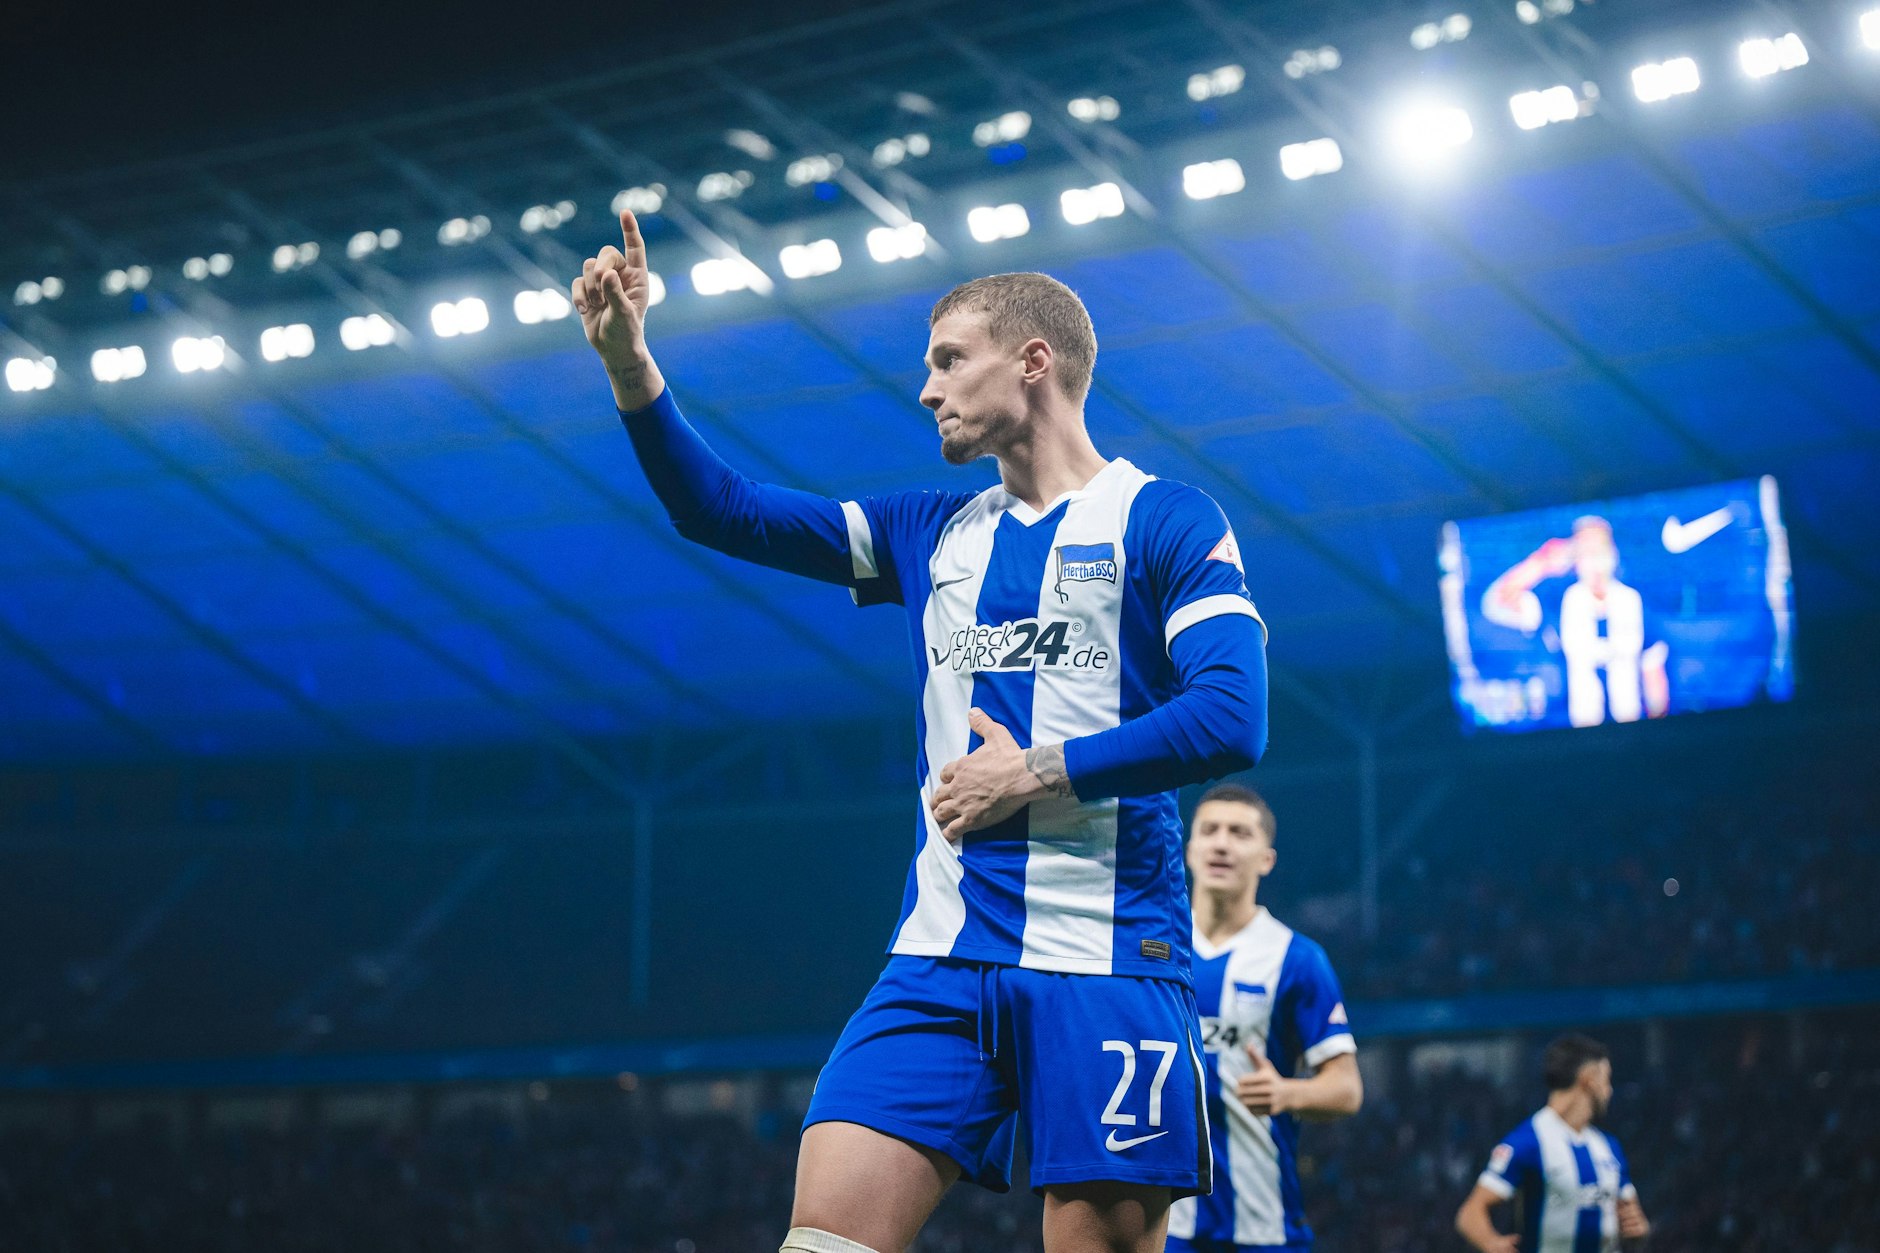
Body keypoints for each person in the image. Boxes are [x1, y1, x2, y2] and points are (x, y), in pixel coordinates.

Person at [571, 212, 1269, 1253]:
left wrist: (1030, 773)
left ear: (1033, 362)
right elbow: (722, 510)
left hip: (1110, 959)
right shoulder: (928, 532)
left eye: (948, 359)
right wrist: (631, 366)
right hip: (936, 962)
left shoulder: (1165, 519)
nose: (925, 387)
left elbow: (1231, 713)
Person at [1166, 784, 1361, 1253]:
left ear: (1266, 859)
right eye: (1209, 830)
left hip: (1264, 1225)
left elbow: (1348, 1089)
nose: (1222, 843)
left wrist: (1287, 1092)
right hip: (1167, 1224)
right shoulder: (1152, 949)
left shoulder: (1297, 958)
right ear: (1188, 848)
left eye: (1240, 833)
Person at [1455, 1034, 1651, 1253]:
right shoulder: (1529, 1141)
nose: (1609, 1091)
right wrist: (1491, 1243)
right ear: (1588, 1079)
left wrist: (1640, 1231)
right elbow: (1470, 1212)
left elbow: (1634, 1221)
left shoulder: (1608, 1147)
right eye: (1606, 1080)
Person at [1481, 518, 1668, 728]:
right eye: (1586, 549)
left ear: (1614, 553)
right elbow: (1496, 603)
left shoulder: (1636, 603)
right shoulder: (1556, 602)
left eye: (1601, 547)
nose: (1595, 557)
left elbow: (1653, 675)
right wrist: (1541, 563)